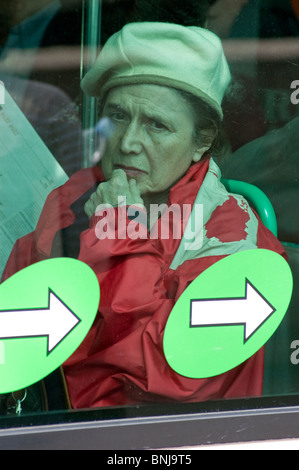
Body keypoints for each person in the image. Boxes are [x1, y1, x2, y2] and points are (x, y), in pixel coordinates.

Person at [2, 22, 287, 409]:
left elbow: (168, 386)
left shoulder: (238, 242)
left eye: (157, 125)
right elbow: (14, 351)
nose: (129, 142)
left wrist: (119, 238)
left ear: (201, 141)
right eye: (118, 116)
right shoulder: (72, 201)